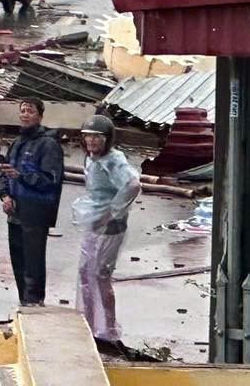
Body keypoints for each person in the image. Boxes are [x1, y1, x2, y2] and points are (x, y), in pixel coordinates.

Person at [74, 114, 142, 355]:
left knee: (101, 276)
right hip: (93, 224)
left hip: (110, 228)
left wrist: (112, 211)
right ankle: (88, 323)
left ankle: (108, 330)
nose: (91, 141)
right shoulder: (91, 159)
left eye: (97, 137)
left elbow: (133, 185)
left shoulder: (113, 161)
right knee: (85, 273)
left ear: (107, 139)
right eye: (88, 136)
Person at [0, 96, 65, 306]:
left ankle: (34, 302)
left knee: (33, 261)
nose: (25, 115)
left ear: (40, 116)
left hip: (36, 212)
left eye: (31, 111)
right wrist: (5, 195)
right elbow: (4, 174)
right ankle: (23, 302)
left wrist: (21, 176)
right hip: (15, 212)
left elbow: (51, 180)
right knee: (18, 261)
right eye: (23, 111)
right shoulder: (17, 142)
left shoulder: (48, 145)